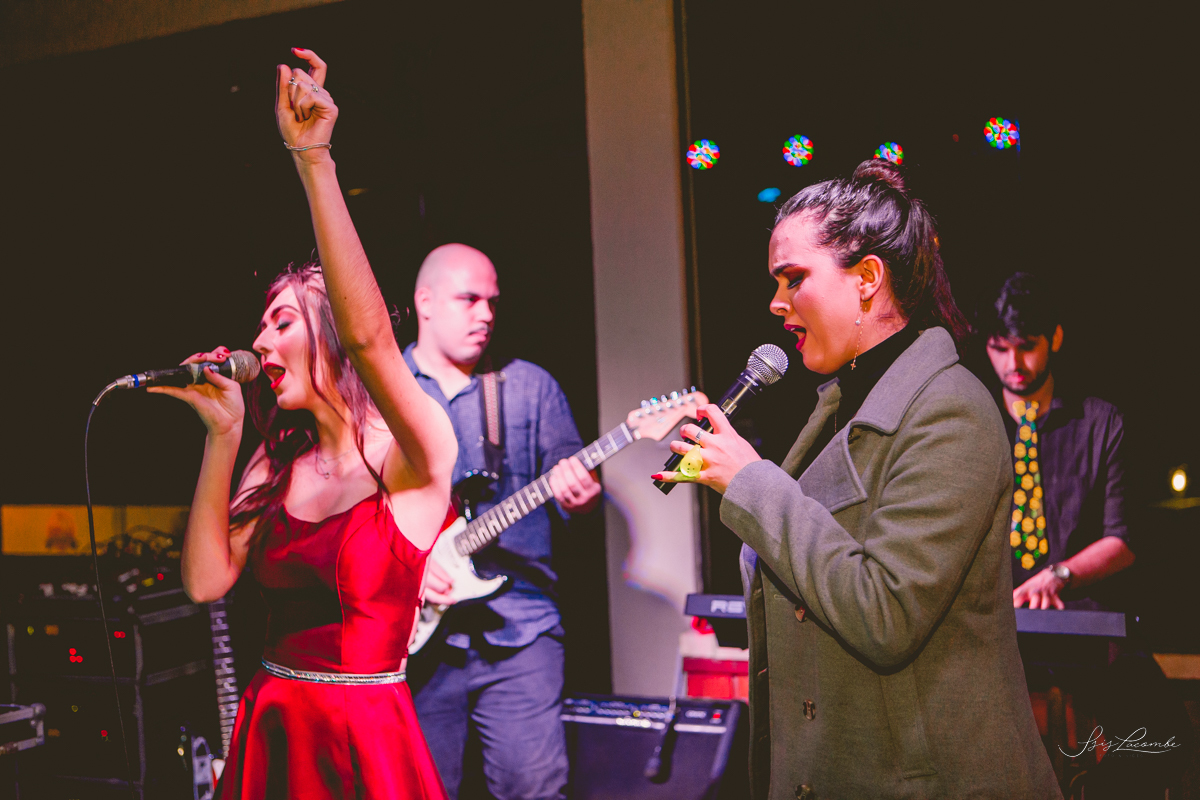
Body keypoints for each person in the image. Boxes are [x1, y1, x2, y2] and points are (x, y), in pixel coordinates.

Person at [656, 159, 1060, 798]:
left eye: (794, 278)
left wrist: (752, 483)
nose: (776, 303)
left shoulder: (951, 408)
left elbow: (885, 613)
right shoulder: (839, 405)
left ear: (868, 278)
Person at [152, 48, 458, 799]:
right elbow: (204, 582)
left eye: (282, 322)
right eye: (262, 324)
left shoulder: (412, 452)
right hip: (273, 727)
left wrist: (313, 158)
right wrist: (223, 438)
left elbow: (371, 340)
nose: (259, 342)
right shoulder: (275, 463)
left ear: (330, 335)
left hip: (362, 737)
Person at [403, 242, 601, 800]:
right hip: (411, 636)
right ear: (425, 302)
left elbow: (575, 490)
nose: (486, 314)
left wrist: (581, 497)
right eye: (469, 299)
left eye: (492, 301)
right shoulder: (386, 388)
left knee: (535, 789)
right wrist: (408, 566)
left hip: (522, 629)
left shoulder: (531, 386)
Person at [980, 272, 1135, 611]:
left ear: (1056, 337)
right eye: (1000, 349)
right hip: (989, 619)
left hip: (1078, 616)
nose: (1013, 363)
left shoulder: (1102, 423)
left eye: (1027, 347)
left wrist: (1059, 575)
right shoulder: (972, 423)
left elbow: (1123, 540)